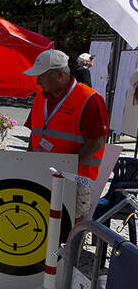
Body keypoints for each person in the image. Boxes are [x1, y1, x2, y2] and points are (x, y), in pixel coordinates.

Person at [24, 49, 108, 224]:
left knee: (72, 224)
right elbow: (34, 132)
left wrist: (68, 164)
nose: (37, 81)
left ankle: (71, 251)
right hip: (43, 171)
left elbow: (98, 142)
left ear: (60, 75)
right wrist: (28, 163)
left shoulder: (90, 99)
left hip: (76, 178)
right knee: (41, 219)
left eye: (41, 76)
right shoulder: (41, 97)